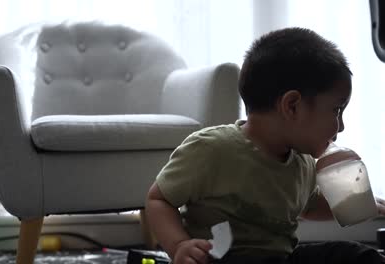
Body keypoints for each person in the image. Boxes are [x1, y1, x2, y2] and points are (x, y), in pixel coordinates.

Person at [145, 27, 385, 264]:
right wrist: (179, 245)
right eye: (336, 110)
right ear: (292, 106)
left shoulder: (302, 162)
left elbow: (309, 207)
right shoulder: (211, 150)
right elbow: (159, 200)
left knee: (355, 256)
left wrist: (361, 203)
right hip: (221, 258)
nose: (340, 126)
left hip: (280, 258)